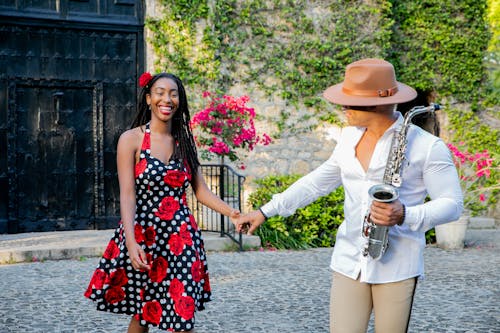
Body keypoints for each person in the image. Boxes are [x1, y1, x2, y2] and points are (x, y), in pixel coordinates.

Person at [236, 58, 463, 333]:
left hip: (398, 265)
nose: (342, 107)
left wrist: (405, 213)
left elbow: (452, 205)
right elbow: (315, 183)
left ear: (377, 103)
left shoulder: (428, 146)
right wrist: (264, 211)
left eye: (350, 101)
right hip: (348, 260)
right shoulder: (347, 138)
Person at [84, 72, 240, 333]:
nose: (167, 99)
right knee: (143, 312)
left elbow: (200, 190)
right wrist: (131, 241)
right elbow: (127, 194)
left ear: (180, 100)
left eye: (173, 93)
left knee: (182, 314)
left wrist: (233, 213)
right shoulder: (131, 139)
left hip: (181, 238)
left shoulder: (184, 142)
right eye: (160, 92)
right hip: (144, 235)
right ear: (148, 98)